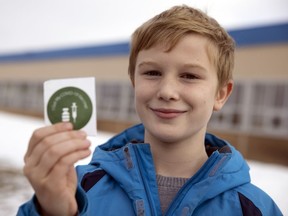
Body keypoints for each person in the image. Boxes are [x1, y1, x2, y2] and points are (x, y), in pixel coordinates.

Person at [17, 5, 282, 216]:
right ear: (134, 82)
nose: (167, 91)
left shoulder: (254, 208)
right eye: (152, 72)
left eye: (189, 76)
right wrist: (52, 212)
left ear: (221, 93)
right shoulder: (78, 189)